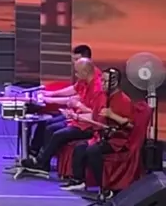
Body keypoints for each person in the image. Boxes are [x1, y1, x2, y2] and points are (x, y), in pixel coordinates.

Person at [22, 57, 106, 175]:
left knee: (57, 134)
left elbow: (95, 114)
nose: (75, 75)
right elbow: (75, 92)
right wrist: (54, 96)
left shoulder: (98, 89)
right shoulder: (85, 79)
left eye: (77, 72)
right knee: (49, 126)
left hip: (88, 125)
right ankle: (42, 161)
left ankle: (41, 162)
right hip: (77, 118)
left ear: (85, 72)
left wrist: (78, 107)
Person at [61, 68, 134, 202]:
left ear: (114, 82)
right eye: (102, 80)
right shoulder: (102, 97)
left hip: (116, 140)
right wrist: (76, 116)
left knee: (92, 151)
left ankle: (105, 189)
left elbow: (130, 125)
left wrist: (113, 116)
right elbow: (94, 117)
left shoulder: (124, 100)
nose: (102, 84)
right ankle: (78, 180)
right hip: (100, 135)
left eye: (105, 81)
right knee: (80, 147)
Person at [28, 45, 100, 157]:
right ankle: (36, 154)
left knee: (51, 127)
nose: (74, 64)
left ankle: (41, 158)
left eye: (77, 59)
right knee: (46, 123)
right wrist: (52, 93)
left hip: (84, 121)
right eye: (74, 60)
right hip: (76, 115)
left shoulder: (95, 82)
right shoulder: (84, 76)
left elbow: (79, 102)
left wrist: (51, 100)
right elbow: (74, 89)